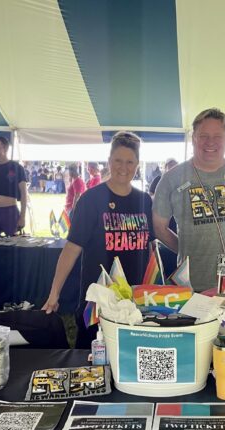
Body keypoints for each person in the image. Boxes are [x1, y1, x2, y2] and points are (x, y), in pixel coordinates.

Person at [43, 132, 153, 348]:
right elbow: (71, 249)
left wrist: (149, 291)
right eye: (118, 160)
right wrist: (54, 293)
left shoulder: (144, 200)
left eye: (130, 161)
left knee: (131, 357)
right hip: (98, 302)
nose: (123, 167)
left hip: (133, 300)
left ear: (137, 164)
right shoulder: (91, 199)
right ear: (109, 161)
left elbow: (148, 248)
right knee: (92, 362)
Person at [153, 108, 225, 292]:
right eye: (203, 135)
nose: (210, 142)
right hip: (191, 286)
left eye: (217, 135)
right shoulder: (172, 178)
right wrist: (185, 247)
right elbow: (159, 227)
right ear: (194, 137)